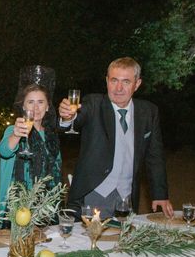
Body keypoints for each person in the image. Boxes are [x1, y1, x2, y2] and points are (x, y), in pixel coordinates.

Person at [58, 57, 173, 218]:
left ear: (137, 84)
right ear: (107, 81)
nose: (118, 88)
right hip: (93, 194)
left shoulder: (148, 112)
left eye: (126, 82)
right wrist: (67, 117)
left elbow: (155, 156)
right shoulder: (93, 103)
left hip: (126, 198)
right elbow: (74, 120)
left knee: (124, 242)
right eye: (114, 80)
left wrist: (160, 194)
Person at [0, 83, 62, 209]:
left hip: (45, 207)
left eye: (40, 102)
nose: (35, 108)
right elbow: (4, 151)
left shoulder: (51, 136)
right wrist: (16, 136)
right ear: (23, 106)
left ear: (48, 106)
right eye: (30, 102)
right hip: (16, 207)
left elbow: (57, 172)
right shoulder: (13, 130)